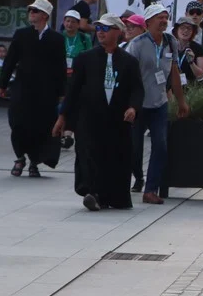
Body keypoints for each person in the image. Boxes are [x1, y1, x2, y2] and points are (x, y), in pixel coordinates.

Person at [53, 14, 144, 211]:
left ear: (117, 32)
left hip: (117, 119)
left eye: (106, 28)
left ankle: (110, 196)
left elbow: (137, 89)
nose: (101, 33)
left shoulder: (129, 62)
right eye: (99, 28)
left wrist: (133, 107)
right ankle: (92, 193)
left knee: (115, 156)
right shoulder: (85, 59)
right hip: (90, 117)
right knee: (89, 154)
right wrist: (63, 117)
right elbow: (73, 90)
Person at [125, 4, 190, 203]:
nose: (163, 20)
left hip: (159, 102)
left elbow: (174, 74)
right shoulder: (136, 44)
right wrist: (128, 105)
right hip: (138, 105)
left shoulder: (171, 42)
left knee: (160, 146)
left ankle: (150, 190)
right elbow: (127, 77)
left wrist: (181, 101)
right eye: (159, 17)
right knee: (134, 148)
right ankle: (136, 178)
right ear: (148, 22)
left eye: (165, 17)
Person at [0, 0, 67, 177]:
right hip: (23, 89)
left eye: (35, 11)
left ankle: (34, 162)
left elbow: (60, 67)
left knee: (41, 127)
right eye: (30, 10)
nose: (31, 14)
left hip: (45, 92)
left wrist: (62, 93)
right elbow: (10, 60)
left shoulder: (56, 39)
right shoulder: (21, 35)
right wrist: (2, 83)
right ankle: (20, 156)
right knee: (18, 122)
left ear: (44, 15)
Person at [60, 9, 94, 149]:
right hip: (61, 76)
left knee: (74, 104)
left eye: (73, 22)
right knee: (61, 104)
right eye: (67, 21)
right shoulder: (59, 37)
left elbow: (90, 57)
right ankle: (61, 134)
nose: (69, 24)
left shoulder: (84, 38)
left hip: (77, 77)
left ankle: (68, 133)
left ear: (78, 24)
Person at [173, 17, 203, 85]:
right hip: (172, 87)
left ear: (193, 32)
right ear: (176, 30)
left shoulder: (198, 48)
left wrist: (191, 62)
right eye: (182, 27)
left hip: (192, 89)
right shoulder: (170, 46)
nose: (185, 30)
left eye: (189, 28)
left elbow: (201, 75)